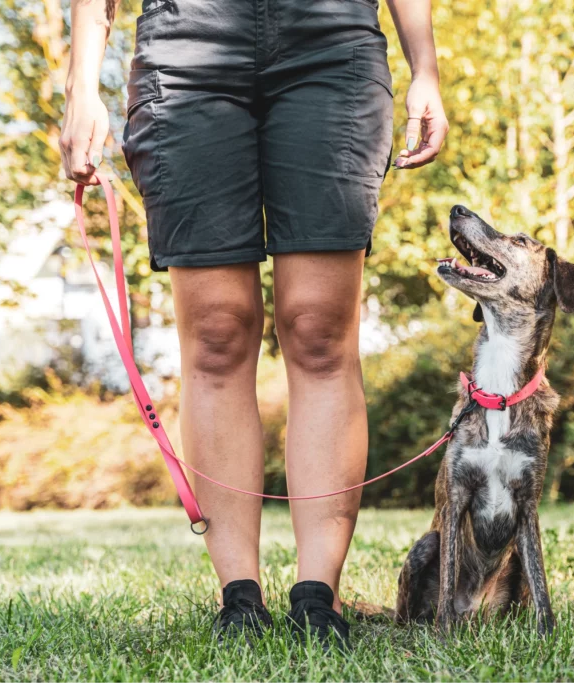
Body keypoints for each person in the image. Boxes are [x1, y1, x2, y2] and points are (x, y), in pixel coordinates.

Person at [60, 0, 447, 649]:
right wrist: (81, 81)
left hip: (332, 43)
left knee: (319, 328)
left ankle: (316, 595)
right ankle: (239, 596)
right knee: (216, 331)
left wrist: (425, 67)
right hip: (186, 43)